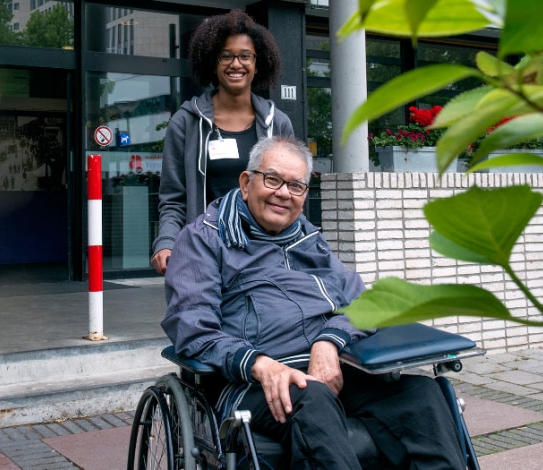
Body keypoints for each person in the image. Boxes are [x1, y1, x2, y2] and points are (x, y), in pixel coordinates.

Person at [162, 136, 466, 469]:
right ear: (247, 182)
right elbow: (194, 329)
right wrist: (262, 365)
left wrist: (328, 342)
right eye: (273, 179)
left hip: (329, 370)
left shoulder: (308, 238)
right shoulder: (204, 238)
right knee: (312, 397)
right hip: (252, 381)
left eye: (296, 186)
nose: (283, 193)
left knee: (421, 396)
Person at [151, 9, 294, 274]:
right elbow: (173, 198)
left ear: (257, 63)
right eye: (225, 56)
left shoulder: (279, 124)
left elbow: (292, 194)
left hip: (265, 255)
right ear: (212, 63)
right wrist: (167, 242)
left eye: (245, 56)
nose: (235, 64)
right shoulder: (185, 123)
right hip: (205, 255)